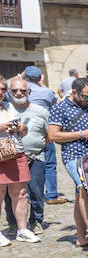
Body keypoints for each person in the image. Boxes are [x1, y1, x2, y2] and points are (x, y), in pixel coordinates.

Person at [46, 77, 88, 248]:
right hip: (73, 155)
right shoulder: (59, 108)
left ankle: (81, 237)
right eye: (85, 96)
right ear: (73, 92)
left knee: (81, 193)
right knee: (83, 186)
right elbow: (53, 136)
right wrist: (81, 134)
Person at [4, 76, 46, 237]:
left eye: (22, 90)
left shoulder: (40, 110)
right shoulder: (6, 108)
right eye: (14, 90)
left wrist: (38, 146)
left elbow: (48, 133)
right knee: (11, 194)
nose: (19, 93)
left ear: (29, 91)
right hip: (11, 157)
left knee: (36, 191)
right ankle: (13, 224)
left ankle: (36, 221)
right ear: (9, 92)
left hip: (36, 156)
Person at [23, 66, 61, 204]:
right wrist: (42, 83)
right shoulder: (46, 92)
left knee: (24, 163)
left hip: (26, 132)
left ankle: (26, 193)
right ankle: (51, 194)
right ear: (40, 78)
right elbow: (54, 102)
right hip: (45, 129)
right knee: (49, 163)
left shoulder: (18, 91)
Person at [0, 98, 33, 246]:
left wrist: (21, 128)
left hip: (16, 152)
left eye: (2, 89)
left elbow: (23, 133)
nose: (1, 92)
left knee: (20, 194)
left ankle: (22, 230)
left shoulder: (10, 107)